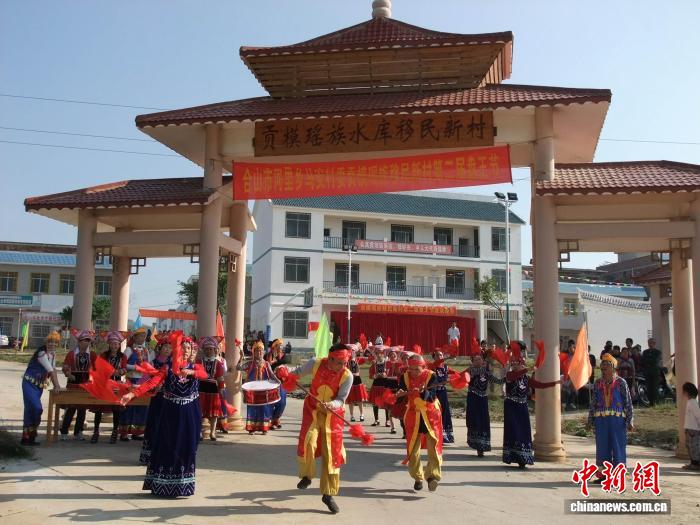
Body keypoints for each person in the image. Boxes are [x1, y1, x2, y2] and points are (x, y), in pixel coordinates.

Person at [121, 333, 207, 497]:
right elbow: (151, 383)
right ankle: (162, 484)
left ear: (192, 351)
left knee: (188, 447)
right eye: (182, 347)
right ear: (176, 350)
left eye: (188, 348)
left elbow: (204, 375)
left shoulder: (197, 367)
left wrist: (191, 372)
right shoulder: (167, 368)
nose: (185, 351)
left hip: (191, 414)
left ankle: (183, 486)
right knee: (169, 446)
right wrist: (131, 395)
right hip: (171, 414)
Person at [280, 343, 353, 514]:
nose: (343, 366)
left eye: (345, 363)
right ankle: (307, 476)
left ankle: (328, 494)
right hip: (312, 410)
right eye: (340, 362)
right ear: (330, 358)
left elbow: (341, 399)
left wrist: (332, 404)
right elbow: (296, 373)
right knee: (308, 443)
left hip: (333, 416)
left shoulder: (347, 376)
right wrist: (284, 373)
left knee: (332, 455)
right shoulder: (315, 363)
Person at [397, 354, 442, 491]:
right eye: (411, 369)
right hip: (413, 415)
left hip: (430, 415)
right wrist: (399, 395)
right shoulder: (404, 377)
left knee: (433, 446)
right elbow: (401, 394)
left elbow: (432, 396)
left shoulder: (431, 376)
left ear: (423, 367)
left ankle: (432, 476)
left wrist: (423, 392)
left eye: (417, 369)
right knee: (412, 449)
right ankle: (418, 477)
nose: (413, 372)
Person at [587, 354, 634, 480]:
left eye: (606, 365)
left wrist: (630, 420)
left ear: (613, 367)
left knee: (618, 446)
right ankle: (603, 476)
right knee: (602, 447)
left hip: (617, 421)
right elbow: (593, 403)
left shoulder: (621, 382)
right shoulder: (597, 383)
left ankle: (618, 476)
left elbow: (628, 402)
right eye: (602, 366)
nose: (603, 368)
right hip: (601, 420)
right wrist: (590, 419)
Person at [21, 331, 62, 445]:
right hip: (29, 384)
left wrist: (57, 385)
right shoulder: (41, 354)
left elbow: (54, 370)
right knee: (36, 408)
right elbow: (50, 370)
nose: (52, 344)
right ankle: (27, 436)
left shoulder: (53, 355)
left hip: (38, 386)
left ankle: (29, 438)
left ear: (58, 344)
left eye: (55, 342)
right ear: (46, 342)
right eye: (50, 342)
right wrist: (57, 386)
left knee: (31, 409)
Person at [139, 337, 173, 465]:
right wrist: (153, 387)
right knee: (154, 425)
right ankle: (150, 456)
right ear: (159, 348)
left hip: (170, 399)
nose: (168, 350)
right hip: (157, 398)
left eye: (170, 348)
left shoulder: (173, 364)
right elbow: (145, 380)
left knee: (168, 426)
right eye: (165, 347)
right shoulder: (153, 363)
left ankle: (165, 456)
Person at [60, 329, 97, 441]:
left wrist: (93, 377)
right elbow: (65, 367)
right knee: (71, 409)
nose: (87, 343)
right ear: (79, 342)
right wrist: (68, 374)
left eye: (88, 341)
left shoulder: (92, 355)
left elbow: (97, 369)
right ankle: (64, 432)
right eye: (85, 340)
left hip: (85, 385)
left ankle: (78, 432)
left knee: (82, 409)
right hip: (73, 384)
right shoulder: (71, 354)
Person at [91, 331, 126, 444]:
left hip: (116, 385)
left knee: (116, 409)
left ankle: (115, 432)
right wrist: (110, 371)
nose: (114, 346)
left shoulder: (123, 356)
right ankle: (96, 431)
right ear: (109, 344)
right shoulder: (103, 355)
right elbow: (98, 368)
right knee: (99, 408)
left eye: (116, 344)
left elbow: (124, 369)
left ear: (119, 345)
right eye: (112, 343)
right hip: (104, 384)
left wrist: (120, 372)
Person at [238, 341, 277, 434]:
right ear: (253, 352)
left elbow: (271, 375)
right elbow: (238, 368)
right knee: (252, 408)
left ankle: (264, 428)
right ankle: (251, 428)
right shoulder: (250, 364)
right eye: (257, 351)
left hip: (263, 390)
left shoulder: (266, 364)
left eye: (261, 351)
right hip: (252, 391)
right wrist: (241, 357)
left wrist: (277, 381)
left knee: (264, 408)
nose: (259, 353)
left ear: (263, 352)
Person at [465, 354, 501, 456]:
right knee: (474, 420)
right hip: (473, 399)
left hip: (483, 400)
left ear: (482, 360)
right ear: (472, 361)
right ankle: (476, 444)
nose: (478, 361)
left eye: (479, 359)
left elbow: (497, 381)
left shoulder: (486, 372)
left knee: (483, 421)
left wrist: (509, 377)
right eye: (475, 359)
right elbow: (463, 377)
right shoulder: (470, 371)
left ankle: (481, 446)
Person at [120, 327, 151, 441]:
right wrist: (135, 367)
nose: (142, 338)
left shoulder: (146, 350)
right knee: (128, 406)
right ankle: (124, 433)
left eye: (144, 336)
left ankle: (137, 432)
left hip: (142, 381)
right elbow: (123, 364)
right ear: (135, 337)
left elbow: (149, 364)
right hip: (131, 381)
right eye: (140, 336)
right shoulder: (129, 350)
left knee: (141, 406)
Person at [197, 337, 225, 441]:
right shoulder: (199, 362)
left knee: (214, 413)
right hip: (201, 389)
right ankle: (199, 432)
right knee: (200, 411)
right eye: (206, 349)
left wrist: (221, 389)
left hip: (213, 389)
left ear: (215, 350)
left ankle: (212, 432)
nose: (208, 351)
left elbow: (220, 378)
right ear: (203, 350)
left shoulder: (218, 363)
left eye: (211, 349)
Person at [429, 350, 455, 444]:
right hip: (433, 393)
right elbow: (437, 363)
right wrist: (448, 357)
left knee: (445, 412)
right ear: (434, 357)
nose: (439, 357)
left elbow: (456, 373)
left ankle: (445, 435)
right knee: (436, 413)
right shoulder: (432, 366)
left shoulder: (445, 367)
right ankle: (436, 435)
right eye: (437, 355)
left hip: (443, 392)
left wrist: (465, 374)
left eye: (441, 355)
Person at [266, 338, 290, 429]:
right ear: (274, 347)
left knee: (282, 402)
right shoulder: (267, 356)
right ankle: (270, 420)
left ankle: (276, 418)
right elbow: (267, 365)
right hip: (270, 382)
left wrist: (275, 362)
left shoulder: (283, 356)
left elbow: (285, 361)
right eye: (278, 346)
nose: (280, 347)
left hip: (281, 382)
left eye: (281, 346)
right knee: (271, 402)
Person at [368, 348, 391, 427]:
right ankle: (376, 420)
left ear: (383, 354)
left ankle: (387, 421)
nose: (379, 355)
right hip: (376, 385)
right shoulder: (374, 364)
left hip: (385, 385)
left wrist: (386, 375)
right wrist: (375, 376)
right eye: (377, 354)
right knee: (375, 403)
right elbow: (370, 375)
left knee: (386, 403)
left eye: (380, 354)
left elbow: (391, 373)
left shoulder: (387, 363)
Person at [681, 382, 700, 471]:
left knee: (694, 447)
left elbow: (698, 416)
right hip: (689, 428)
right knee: (689, 446)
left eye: (684, 391)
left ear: (687, 392)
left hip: (694, 429)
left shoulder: (693, 403)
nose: (683, 393)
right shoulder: (690, 402)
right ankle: (693, 463)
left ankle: (695, 464)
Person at [346, 347, 368, 422]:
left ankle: (362, 415)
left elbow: (368, 360)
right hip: (350, 380)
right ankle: (352, 416)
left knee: (360, 399)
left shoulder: (358, 359)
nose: (352, 353)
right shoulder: (347, 361)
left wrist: (363, 351)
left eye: (354, 351)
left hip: (358, 380)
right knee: (351, 400)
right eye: (351, 351)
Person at [641, 338, 663, 406]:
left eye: (651, 343)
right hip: (647, 372)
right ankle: (650, 402)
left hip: (655, 372)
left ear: (654, 343)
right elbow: (643, 361)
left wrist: (648, 360)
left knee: (655, 387)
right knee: (648, 387)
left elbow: (655, 361)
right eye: (649, 343)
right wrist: (649, 360)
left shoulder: (658, 352)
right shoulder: (645, 352)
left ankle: (655, 402)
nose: (650, 344)